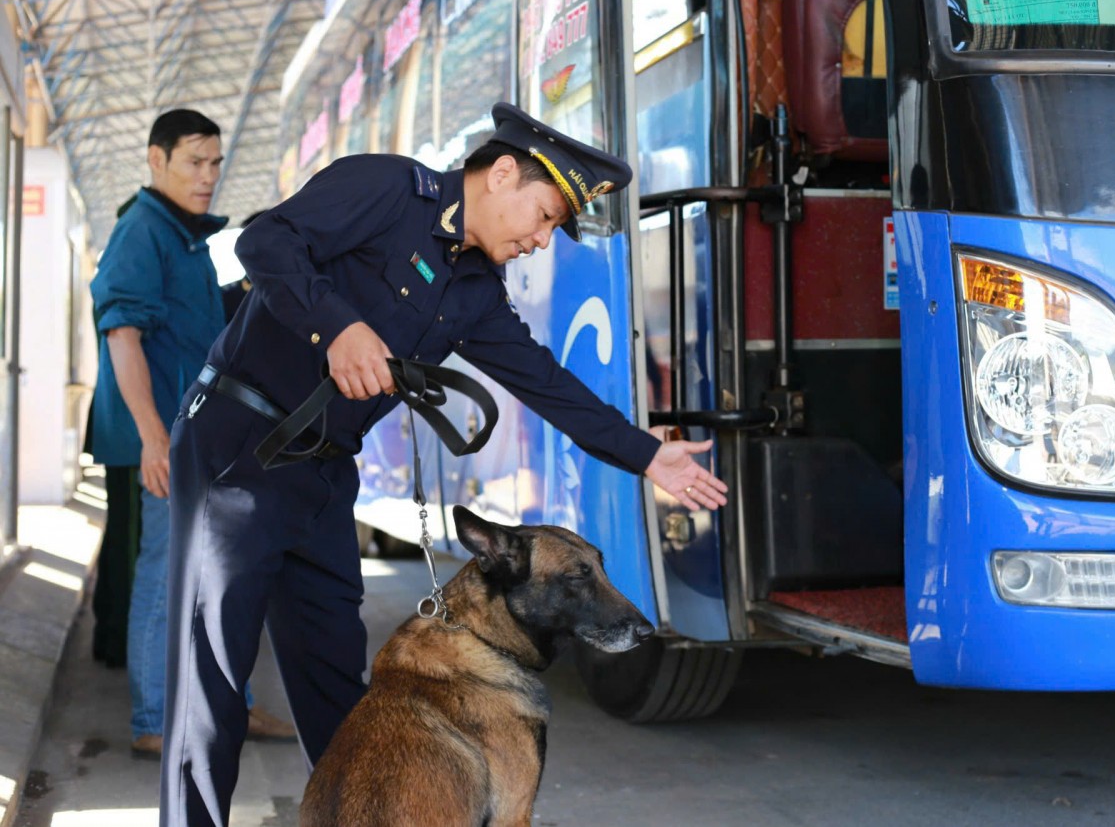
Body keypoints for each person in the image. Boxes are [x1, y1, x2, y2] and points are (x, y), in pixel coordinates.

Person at [161, 102, 729, 825]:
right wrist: (338, 325)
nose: (541, 239)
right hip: (236, 448)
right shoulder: (388, 188)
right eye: (546, 215)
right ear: (500, 174)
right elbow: (266, 241)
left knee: (348, 696)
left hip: (324, 474)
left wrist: (649, 455)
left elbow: (545, 382)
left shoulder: (475, 294)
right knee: (210, 691)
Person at [88, 108, 295, 760]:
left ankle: (225, 704)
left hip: (197, 439)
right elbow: (123, 336)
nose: (208, 177)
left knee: (214, 575)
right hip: (168, 442)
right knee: (164, 575)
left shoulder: (183, 236)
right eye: (193, 163)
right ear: (156, 160)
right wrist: (153, 436)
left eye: (215, 163)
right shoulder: (140, 232)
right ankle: (154, 720)